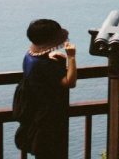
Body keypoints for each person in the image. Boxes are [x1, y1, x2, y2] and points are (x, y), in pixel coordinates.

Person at [15, 19, 77, 159]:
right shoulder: (44, 65)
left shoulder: (29, 56)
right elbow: (70, 82)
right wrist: (71, 57)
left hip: (37, 115)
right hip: (48, 119)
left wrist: (49, 56)